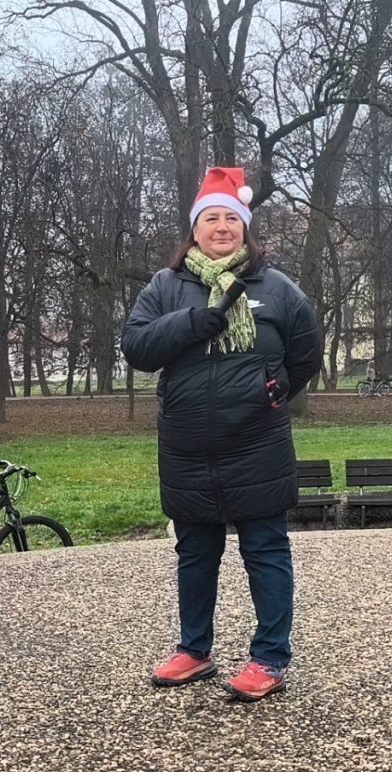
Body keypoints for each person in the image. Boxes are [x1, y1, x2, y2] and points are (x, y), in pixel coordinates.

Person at [122, 167, 322, 702]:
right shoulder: (165, 287)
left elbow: (306, 352)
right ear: (195, 229)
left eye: (231, 219)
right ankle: (194, 650)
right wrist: (194, 322)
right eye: (211, 218)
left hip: (257, 441)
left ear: (245, 228)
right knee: (195, 552)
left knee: (266, 549)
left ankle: (269, 657)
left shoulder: (276, 288)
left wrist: (273, 389)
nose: (221, 227)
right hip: (188, 444)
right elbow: (137, 347)